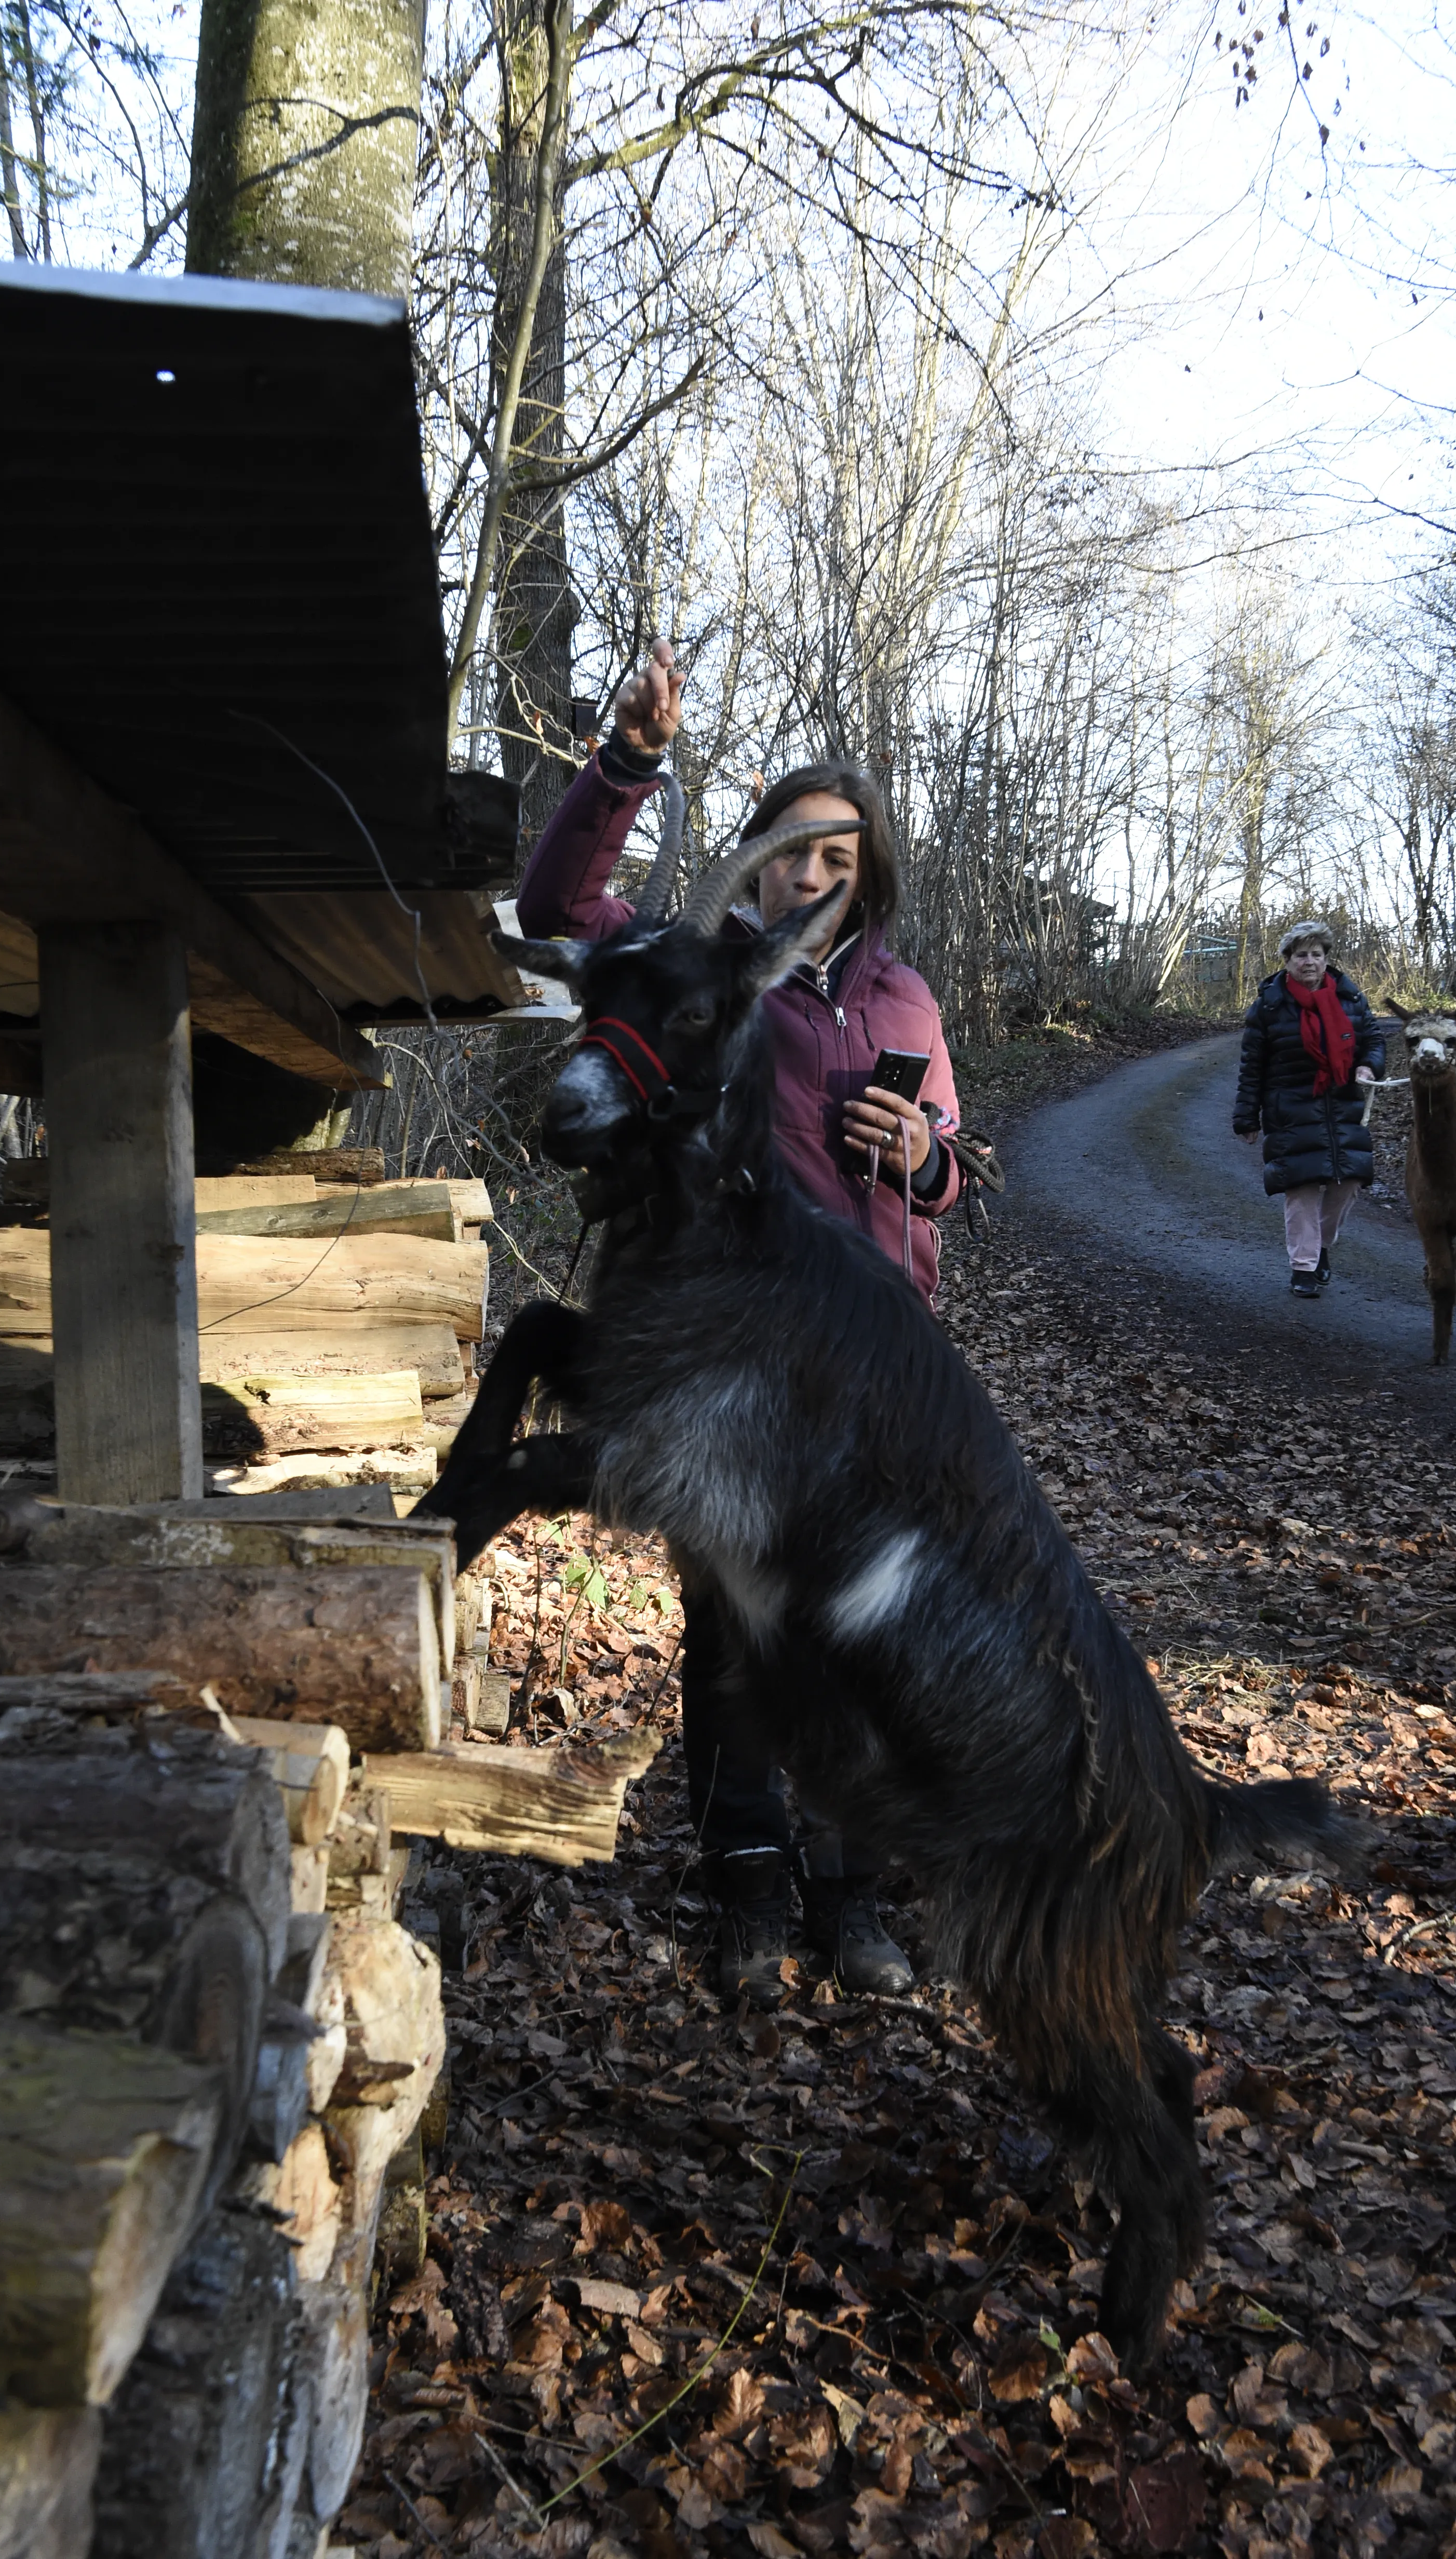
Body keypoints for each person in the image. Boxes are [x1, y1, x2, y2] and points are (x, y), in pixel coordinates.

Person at [513, 639, 964, 2004]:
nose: (811, 880)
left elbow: (947, 1173)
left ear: (865, 878)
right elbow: (558, 902)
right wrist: (628, 760)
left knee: (849, 1634)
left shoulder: (903, 1001)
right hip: (725, 1360)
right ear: (758, 861)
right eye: (791, 854)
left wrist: (924, 1154)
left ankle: (851, 1894)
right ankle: (750, 1884)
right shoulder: (693, 966)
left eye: (839, 862)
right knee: (733, 1630)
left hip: (864, 1362)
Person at [1232, 920, 1384, 1298]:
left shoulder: (1350, 998)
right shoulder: (1269, 1007)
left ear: (1326, 959)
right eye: (1301, 955)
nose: (1310, 962)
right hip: (1290, 1110)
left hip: (1343, 1105)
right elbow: (1252, 1067)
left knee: (1349, 1182)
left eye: (1317, 954)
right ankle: (1303, 1267)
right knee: (1300, 1187)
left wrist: (1369, 1065)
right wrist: (1246, 1117)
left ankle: (1320, 1248)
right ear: (1288, 961)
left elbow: (1374, 1040)